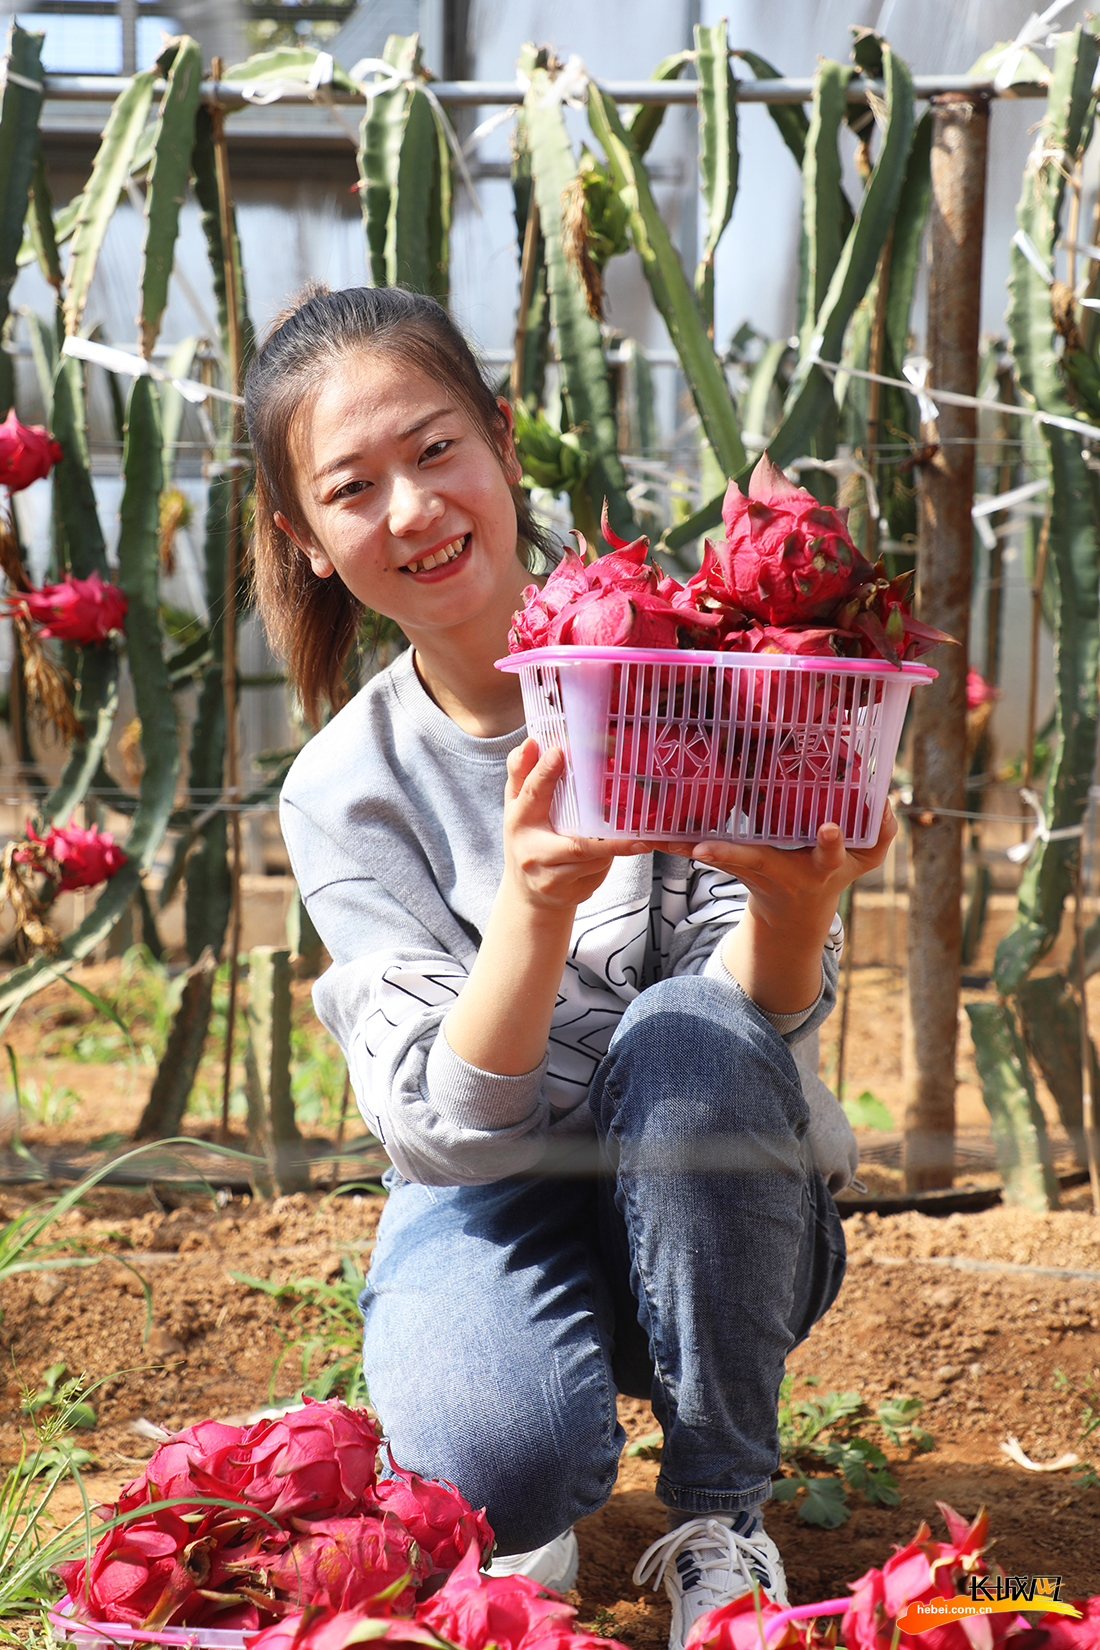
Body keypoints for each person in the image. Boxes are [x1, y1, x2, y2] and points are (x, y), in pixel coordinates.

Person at [245, 284, 894, 1650]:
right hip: (489, 1195)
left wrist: (794, 910)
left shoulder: (700, 671)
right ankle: (524, 1446)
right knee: (495, 1456)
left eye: (434, 451)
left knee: (686, 1032)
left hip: (714, 1186)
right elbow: (444, 1124)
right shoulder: (343, 788)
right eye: (353, 488)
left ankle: (720, 1510)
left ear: (501, 438)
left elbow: (749, 1027)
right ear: (305, 541)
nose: (412, 509)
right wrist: (537, 908)